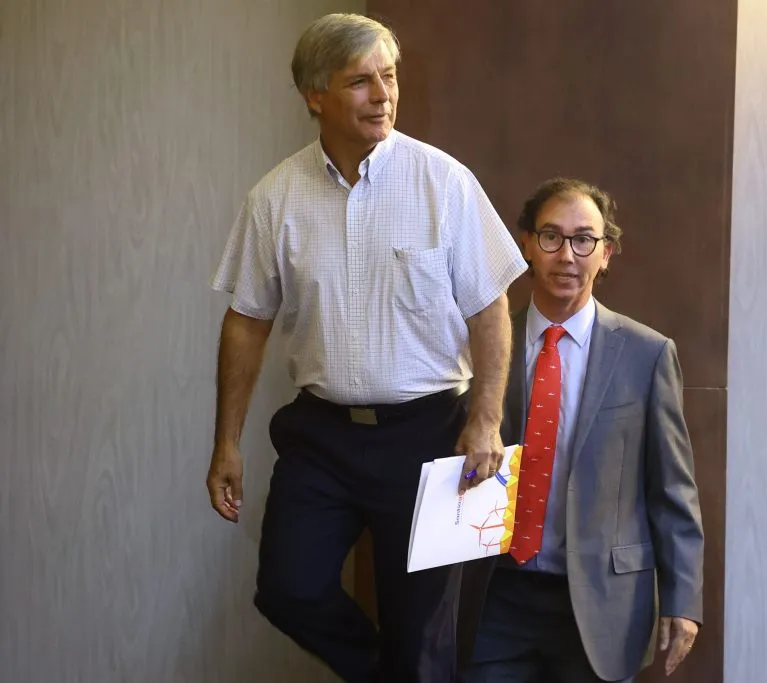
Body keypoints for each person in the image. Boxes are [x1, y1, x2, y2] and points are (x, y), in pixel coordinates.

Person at [205, 13, 527, 683]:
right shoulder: (274, 198)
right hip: (322, 435)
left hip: (433, 434)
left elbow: (490, 309)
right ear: (315, 95)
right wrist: (226, 442)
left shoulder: (444, 183)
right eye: (360, 81)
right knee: (288, 588)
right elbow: (247, 322)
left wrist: (486, 419)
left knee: (422, 638)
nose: (383, 95)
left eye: (390, 76)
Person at [456, 178, 705, 682]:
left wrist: (683, 598)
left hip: (602, 602)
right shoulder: (479, 347)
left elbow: (672, 490)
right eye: (551, 236)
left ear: (605, 253)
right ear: (526, 245)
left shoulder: (647, 354)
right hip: (496, 596)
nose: (567, 255)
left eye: (584, 239)